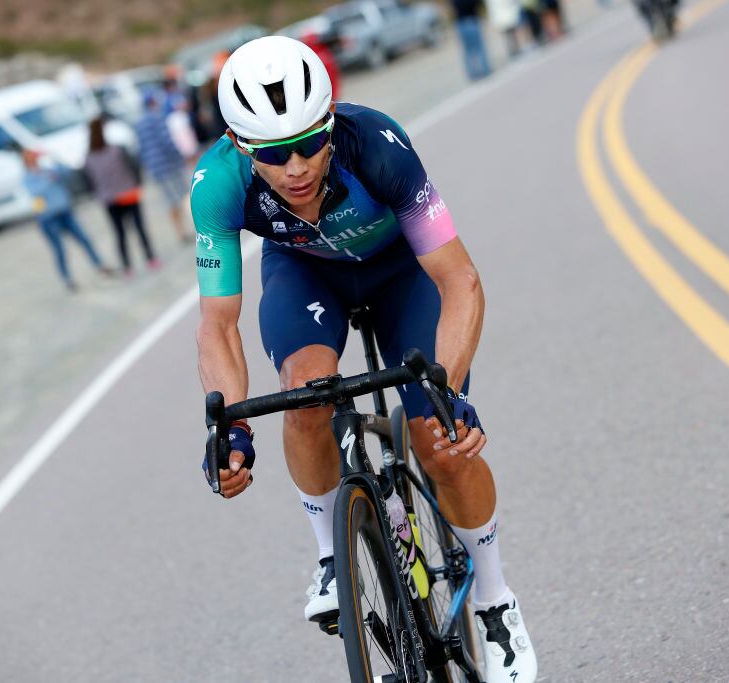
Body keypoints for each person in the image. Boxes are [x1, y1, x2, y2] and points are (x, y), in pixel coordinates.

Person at [192, 36, 536, 683]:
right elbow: (218, 323)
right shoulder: (215, 185)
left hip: (399, 271)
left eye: (308, 142)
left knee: (440, 439)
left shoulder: (377, 143)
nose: (294, 165)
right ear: (241, 146)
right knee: (304, 396)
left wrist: (449, 391)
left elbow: (459, 280)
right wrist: (230, 426)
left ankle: (494, 598)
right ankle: (331, 553)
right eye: (271, 152)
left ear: (330, 124)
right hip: (308, 275)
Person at [20, 148, 110, 291]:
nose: (35, 159)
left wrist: (53, 156)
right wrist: (47, 180)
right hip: (48, 218)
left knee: (84, 239)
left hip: (65, 212)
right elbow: (35, 192)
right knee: (59, 250)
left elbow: (67, 172)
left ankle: (100, 266)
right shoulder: (28, 177)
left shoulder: (48, 169)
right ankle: (67, 280)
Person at [83, 118, 159, 276]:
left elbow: (88, 182)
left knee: (120, 234)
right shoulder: (117, 149)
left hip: (109, 199)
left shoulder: (89, 158)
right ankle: (150, 258)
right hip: (128, 193)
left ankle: (127, 267)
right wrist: (136, 183)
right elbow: (133, 166)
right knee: (139, 228)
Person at [135, 91, 194, 244]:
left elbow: (140, 149)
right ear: (153, 102)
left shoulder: (139, 124)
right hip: (169, 164)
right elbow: (166, 141)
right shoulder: (158, 117)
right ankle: (197, 227)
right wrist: (179, 156)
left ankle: (180, 231)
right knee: (184, 196)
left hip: (156, 169)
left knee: (170, 201)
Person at [451, 0, 493, 80]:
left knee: (468, 50)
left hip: (461, 22)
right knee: (478, 47)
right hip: (471, 19)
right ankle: (485, 69)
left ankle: (473, 73)